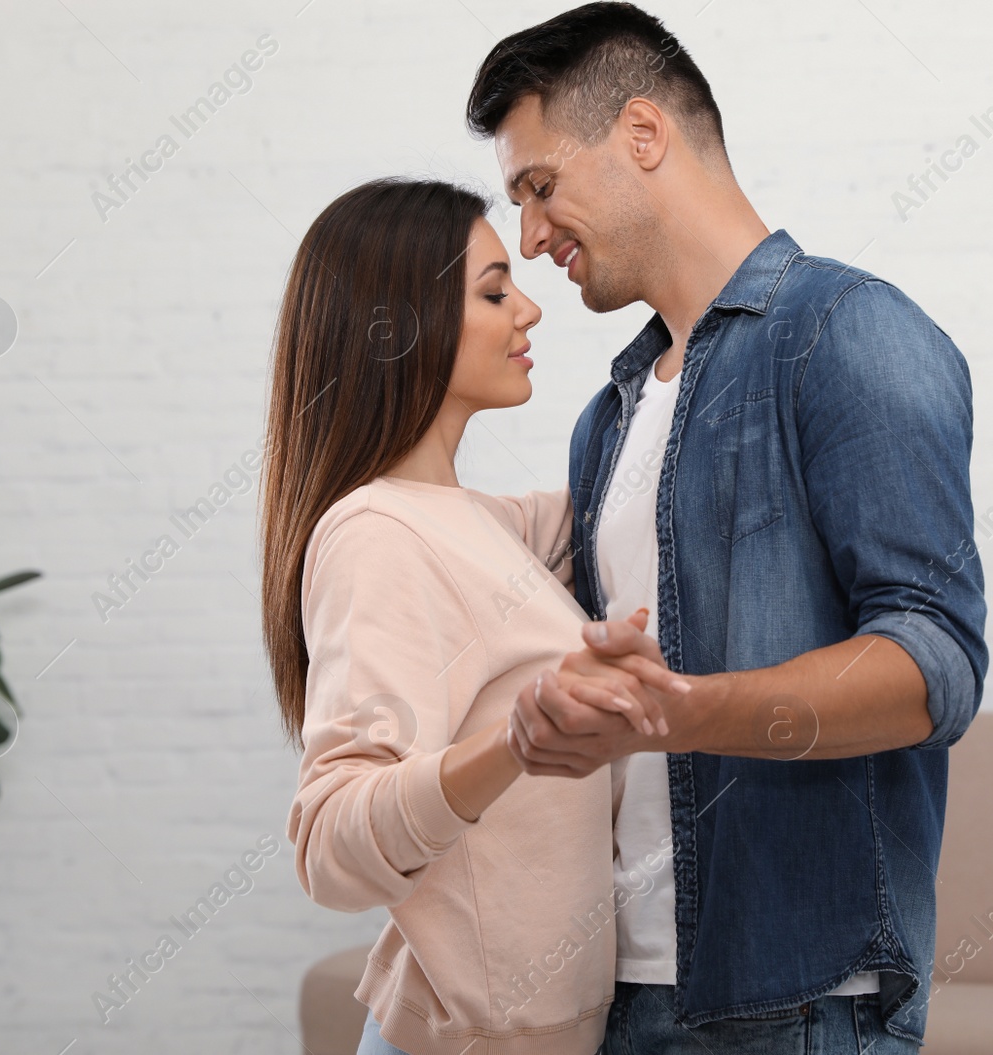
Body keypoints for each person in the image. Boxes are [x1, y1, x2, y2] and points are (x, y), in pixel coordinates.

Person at [467, 5, 990, 1053]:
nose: (530, 236)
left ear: (643, 135)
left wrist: (684, 710)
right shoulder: (606, 417)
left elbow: (935, 663)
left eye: (538, 187)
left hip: (798, 1001)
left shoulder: (846, 331)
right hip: (621, 986)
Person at [260, 177, 686, 1055]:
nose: (528, 308)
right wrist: (512, 745)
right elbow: (329, 842)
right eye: (493, 291)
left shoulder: (479, 523)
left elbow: (636, 493)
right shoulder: (377, 533)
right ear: (399, 324)